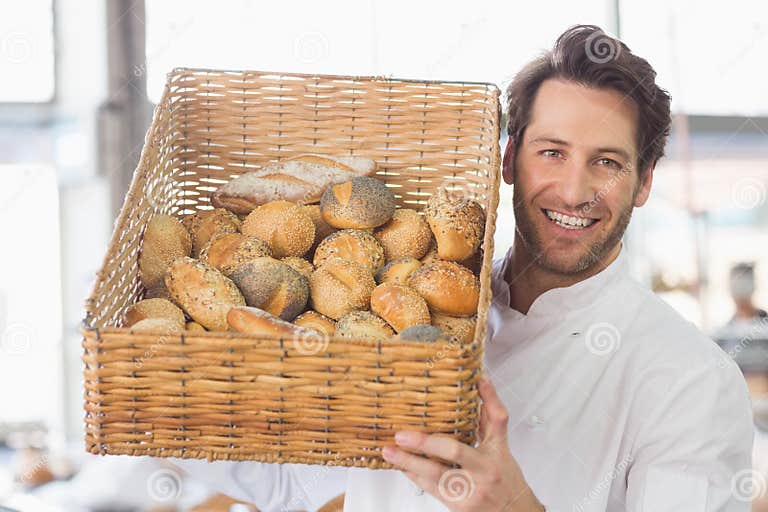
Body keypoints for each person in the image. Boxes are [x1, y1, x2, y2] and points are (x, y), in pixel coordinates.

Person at [171, 25, 754, 511]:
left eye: (606, 162)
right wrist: (171, 381)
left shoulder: (690, 381)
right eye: (551, 152)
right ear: (507, 158)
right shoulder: (408, 320)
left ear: (644, 181)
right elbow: (302, 486)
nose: (574, 190)